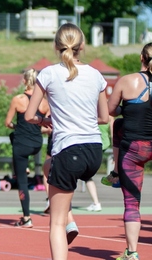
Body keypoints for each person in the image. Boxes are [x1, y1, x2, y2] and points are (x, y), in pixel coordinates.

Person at [24, 23, 108, 260]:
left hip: (69, 148)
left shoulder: (49, 73)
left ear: (56, 46)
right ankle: (70, 219)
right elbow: (103, 117)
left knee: (55, 224)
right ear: (82, 46)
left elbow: (29, 115)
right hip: (94, 151)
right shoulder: (96, 75)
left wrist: (44, 119)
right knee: (48, 167)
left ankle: (66, 222)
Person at [107, 42, 152, 260]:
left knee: (132, 202)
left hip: (133, 149)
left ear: (141, 58)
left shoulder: (127, 80)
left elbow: (111, 110)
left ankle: (132, 253)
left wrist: (130, 106)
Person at [4, 68, 50, 227]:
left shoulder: (18, 99)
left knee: (22, 181)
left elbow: (8, 123)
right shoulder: (44, 103)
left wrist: (17, 126)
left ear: (24, 81)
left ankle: (26, 217)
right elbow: (49, 126)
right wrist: (37, 129)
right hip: (37, 143)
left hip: (21, 144)